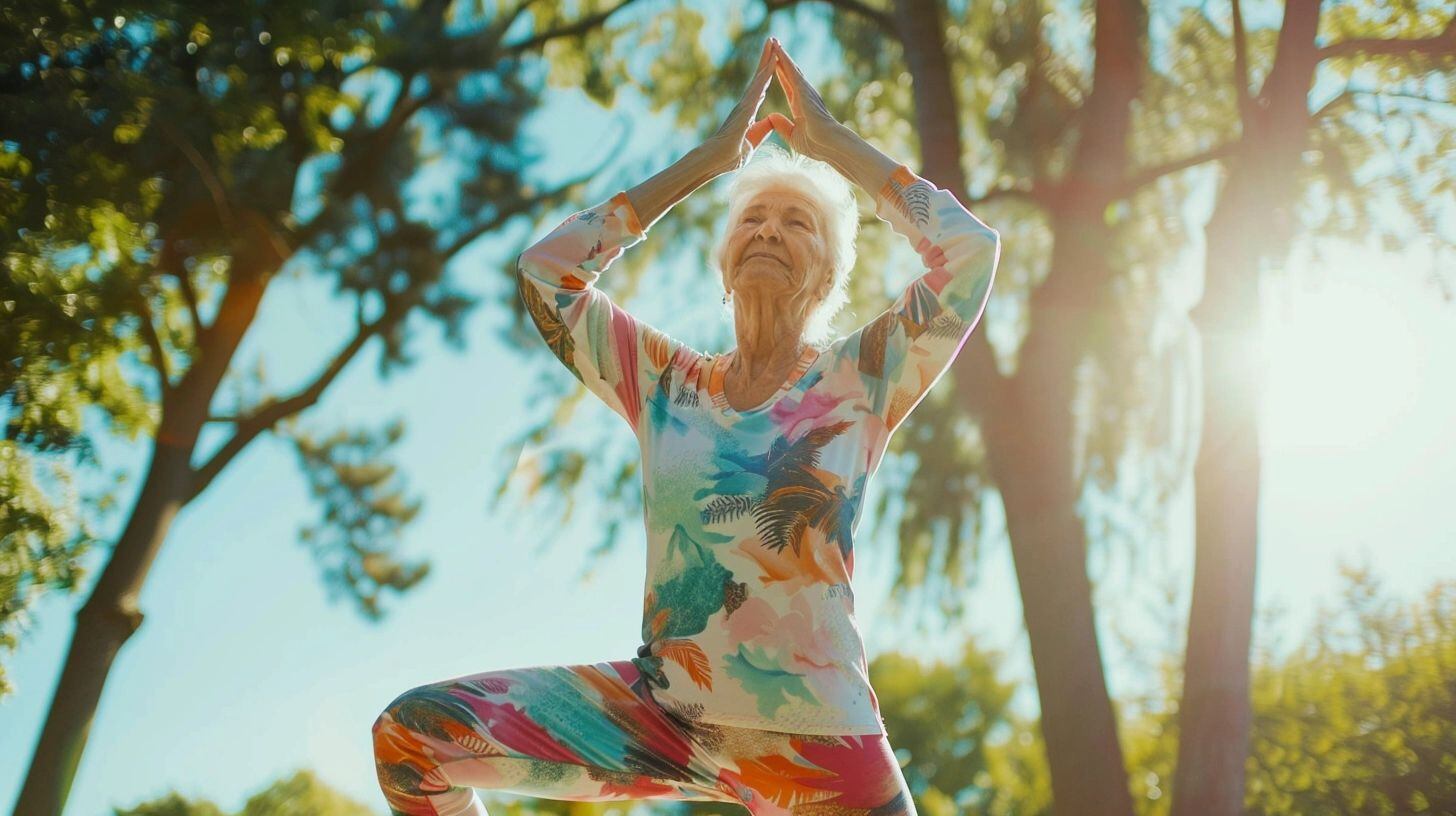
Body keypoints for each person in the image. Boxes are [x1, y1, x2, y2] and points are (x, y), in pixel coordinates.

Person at [373, 36, 1000, 816]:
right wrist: (707, 163)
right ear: (726, 261)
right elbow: (547, 276)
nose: (770, 230)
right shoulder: (663, 383)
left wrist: (834, 145)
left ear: (830, 276)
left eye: (798, 224)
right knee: (415, 737)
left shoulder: (858, 378)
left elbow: (969, 254)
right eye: (754, 219)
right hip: (662, 714)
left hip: (820, 741)